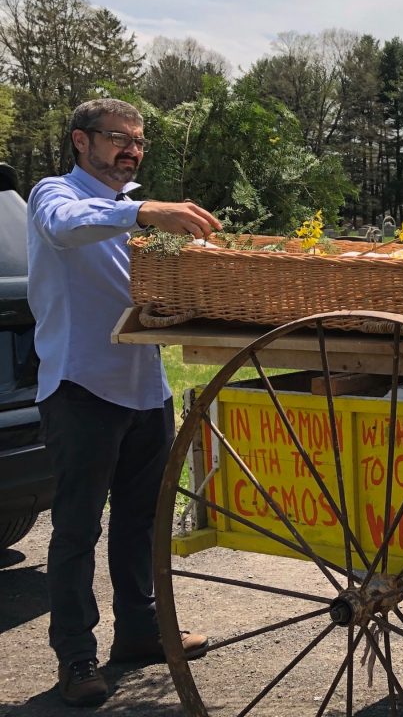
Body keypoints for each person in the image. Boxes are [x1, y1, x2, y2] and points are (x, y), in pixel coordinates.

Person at [27, 98, 221, 707]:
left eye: (137, 139)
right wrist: (141, 210)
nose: (130, 148)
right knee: (78, 528)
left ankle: (139, 634)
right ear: (81, 141)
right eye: (117, 137)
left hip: (144, 387)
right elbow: (66, 226)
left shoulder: (128, 207)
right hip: (81, 385)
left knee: (142, 523)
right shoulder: (53, 195)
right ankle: (76, 655)